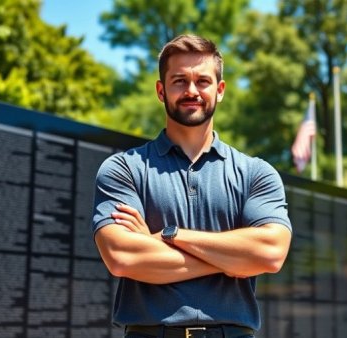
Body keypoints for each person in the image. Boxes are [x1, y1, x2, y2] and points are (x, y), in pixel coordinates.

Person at [92, 34, 292, 338]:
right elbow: (123, 257)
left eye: (202, 81)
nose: (191, 91)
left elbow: (270, 253)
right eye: (179, 81)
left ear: (220, 90)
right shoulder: (124, 169)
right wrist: (232, 260)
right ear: (161, 91)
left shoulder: (256, 173)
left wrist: (169, 237)